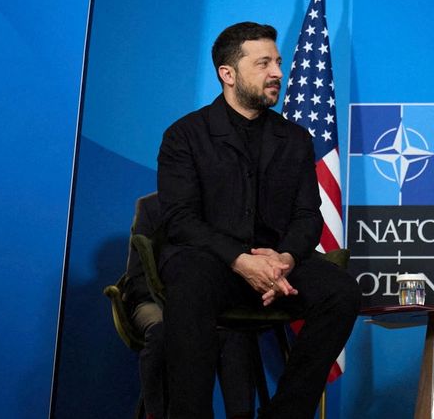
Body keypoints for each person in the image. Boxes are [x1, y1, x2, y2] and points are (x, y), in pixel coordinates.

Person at [157, 22, 360, 419]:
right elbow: (180, 219)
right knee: (189, 278)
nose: (278, 73)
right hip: (213, 265)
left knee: (342, 292)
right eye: (264, 63)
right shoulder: (185, 135)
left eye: (278, 63)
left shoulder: (296, 139)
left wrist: (285, 259)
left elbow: (307, 217)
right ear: (228, 74)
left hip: (277, 267)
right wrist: (240, 260)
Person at [120, 193, 255, 419]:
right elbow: (137, 276)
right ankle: (156, 414)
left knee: (233, 332)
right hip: (153, 301)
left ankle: (241, 414)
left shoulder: (223, 209)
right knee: (165, 331)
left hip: (206, 303)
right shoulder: (151, 206)